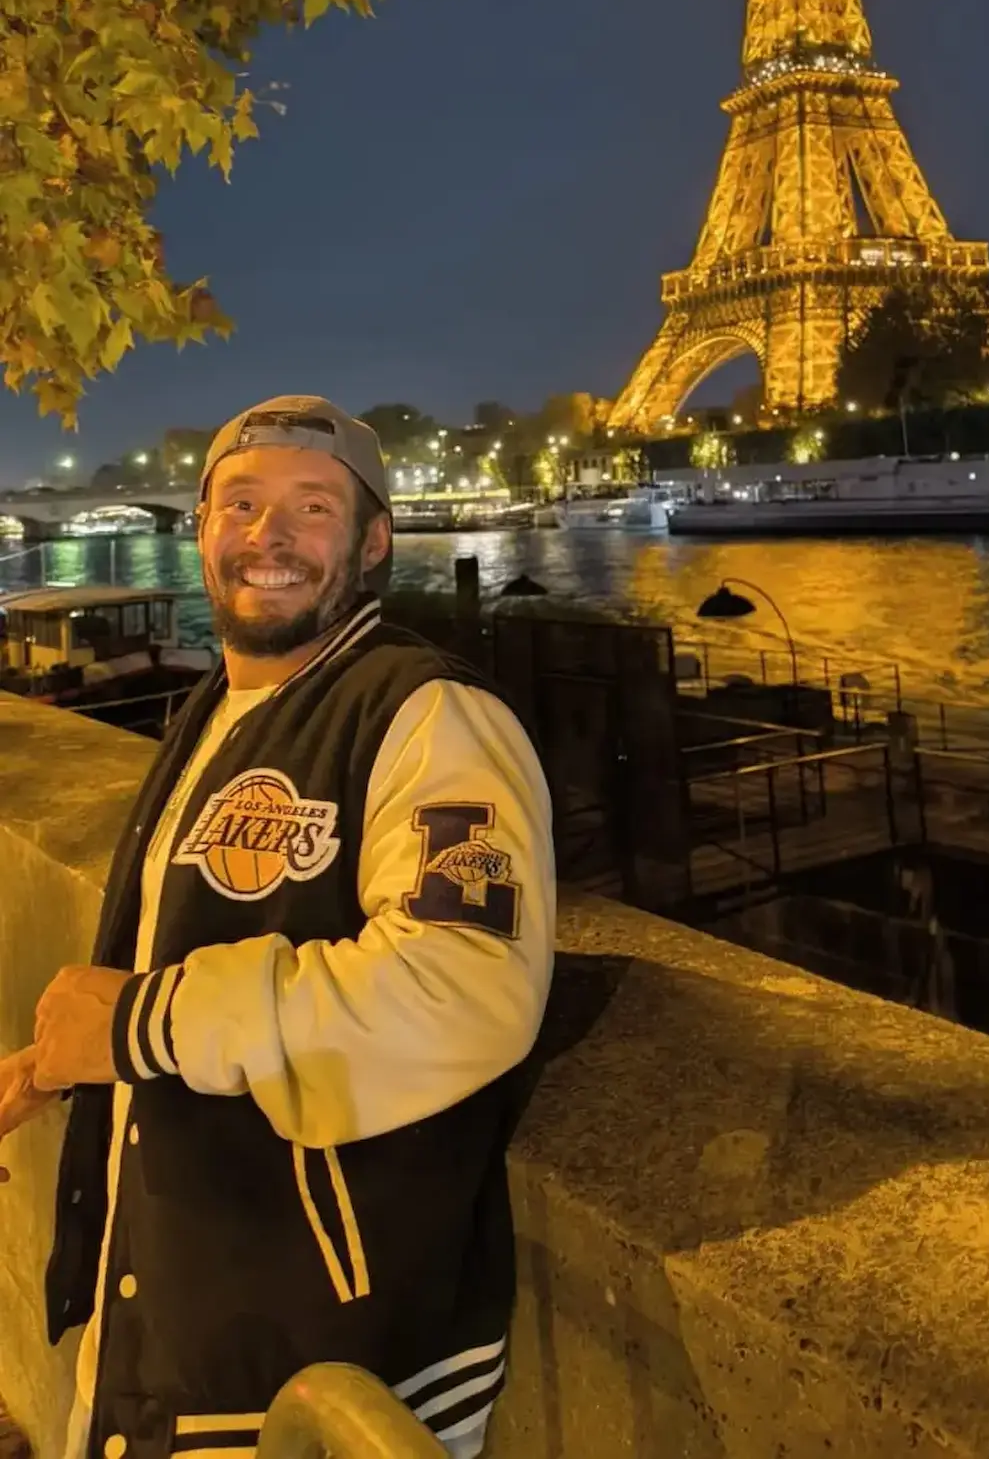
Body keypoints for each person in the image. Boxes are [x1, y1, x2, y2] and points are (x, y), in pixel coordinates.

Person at [0, 395, 555, 1459]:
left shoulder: (434, 718)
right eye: (242, 505)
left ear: (373, 541)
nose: (270, 536)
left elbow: (468, 986)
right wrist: (60, 1061)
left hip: (319, 1378)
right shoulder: (212, 712)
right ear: (200, 528)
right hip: (162, 1348)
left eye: (311, 507)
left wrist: (137, 1025)